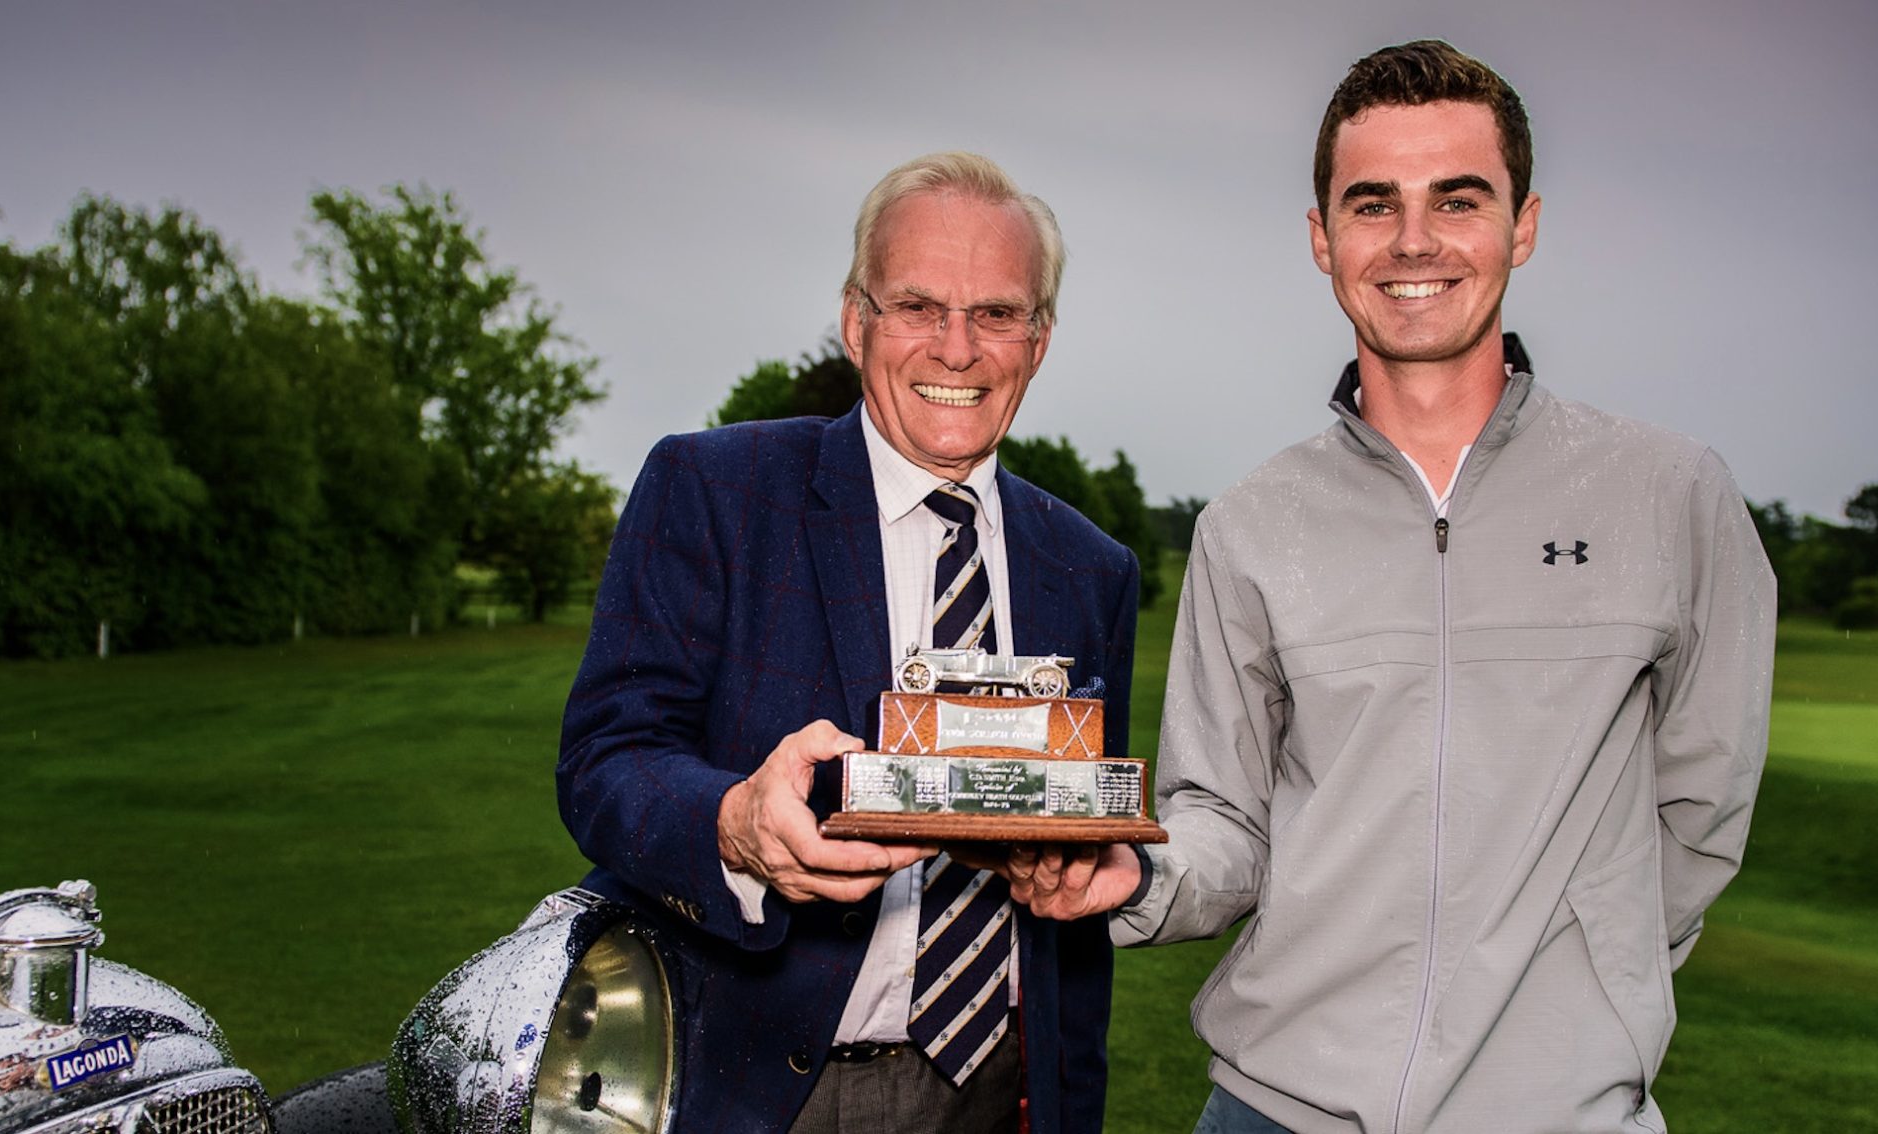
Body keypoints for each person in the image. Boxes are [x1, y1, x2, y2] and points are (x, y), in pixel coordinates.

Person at [1008, 40, 1776, 1133]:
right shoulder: (1251, 526)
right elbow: (1221, 819)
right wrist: (1132, 880)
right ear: (1323, 239)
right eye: (1373, 205)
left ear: (1524, 223)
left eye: (1456, 199)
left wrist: (1586, 994)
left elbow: (1701, 809)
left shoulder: (1668, 495)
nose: (1413, 240)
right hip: (1272, 1110)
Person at [558, 151, 1140, 1134]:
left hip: (996, 1090)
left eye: (996, 313)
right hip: (755, 1086)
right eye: (917, 305)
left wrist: (1088, 868)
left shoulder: (1090, 568)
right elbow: (605, 763)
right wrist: (733, 821)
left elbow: (1083, 855)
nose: (957, 349)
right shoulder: (715, 491)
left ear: (1037, 341)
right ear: (856, 318)